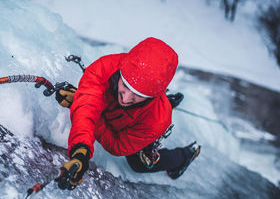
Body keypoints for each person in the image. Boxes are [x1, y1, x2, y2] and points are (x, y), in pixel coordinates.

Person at [54, 37, 201, 190]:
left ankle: (183, 157)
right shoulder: (105, 67)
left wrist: (83, 105)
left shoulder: (157, 120)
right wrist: (80, 149)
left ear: (153, 95)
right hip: (117, 116)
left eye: (139, 94)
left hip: (135, 125)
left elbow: (117, 146)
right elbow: (88, 105)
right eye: (125, 85)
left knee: (139, 164)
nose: (126, 98)